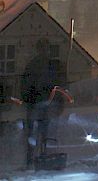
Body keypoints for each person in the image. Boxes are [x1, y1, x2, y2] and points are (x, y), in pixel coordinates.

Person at [21, 38, 61, 169]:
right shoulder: (49, 66)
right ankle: (39, 159)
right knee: (41, 133)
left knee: (34, 134)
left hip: (36, 103)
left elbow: (26, 85)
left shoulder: (33, 65)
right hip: (41, 103)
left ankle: (31, 160)